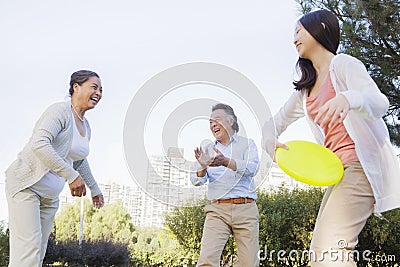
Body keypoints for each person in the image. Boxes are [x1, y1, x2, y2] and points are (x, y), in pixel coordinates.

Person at [262, 9, 400, 266]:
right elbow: (274, 123)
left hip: (359, 167)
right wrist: (269, 141)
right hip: (338, 173)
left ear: (321, 27)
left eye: (298, 30)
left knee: (330, 248)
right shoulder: (306, 90)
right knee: (322, 251)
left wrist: (348, 98)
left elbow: (379, 102)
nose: (294, 39)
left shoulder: (344, 65)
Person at [5, 70, 105, 266]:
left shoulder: (86, 126)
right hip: (27, 187)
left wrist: (94, 188)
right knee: (28, 251)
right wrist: (71, 176)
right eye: (94, 87)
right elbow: (40, 143)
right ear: (76, 86)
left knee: (39, 252)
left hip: (49, 197)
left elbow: (78, 160)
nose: (99, 93)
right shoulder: (59, 112)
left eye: (101, 90)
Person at [190, 103, 260, 267]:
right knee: (207, 261)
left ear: (231, 121)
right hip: (217, 211)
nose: (213, 124)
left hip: (245, 209)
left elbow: (253, 168)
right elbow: (196, 180)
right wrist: (202, 167)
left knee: (249, 263)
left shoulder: (247, 144)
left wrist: (227, 162)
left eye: (217, 120)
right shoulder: (208, 149)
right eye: (210, 122)